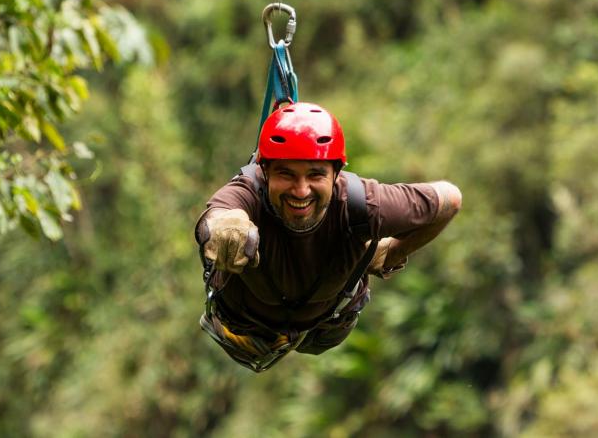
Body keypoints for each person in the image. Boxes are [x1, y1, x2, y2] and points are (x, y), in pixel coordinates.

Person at [195, 102, 461, 372]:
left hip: (327, 326)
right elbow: (217, 215)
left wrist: (392, 252)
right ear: (265, 172)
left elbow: (449, 199)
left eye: (315, 174)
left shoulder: (364, 204)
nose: (301, 191)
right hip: (245, 327)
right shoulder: (248, 193)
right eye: (286, 173)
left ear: (336, 174)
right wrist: (227, 229)